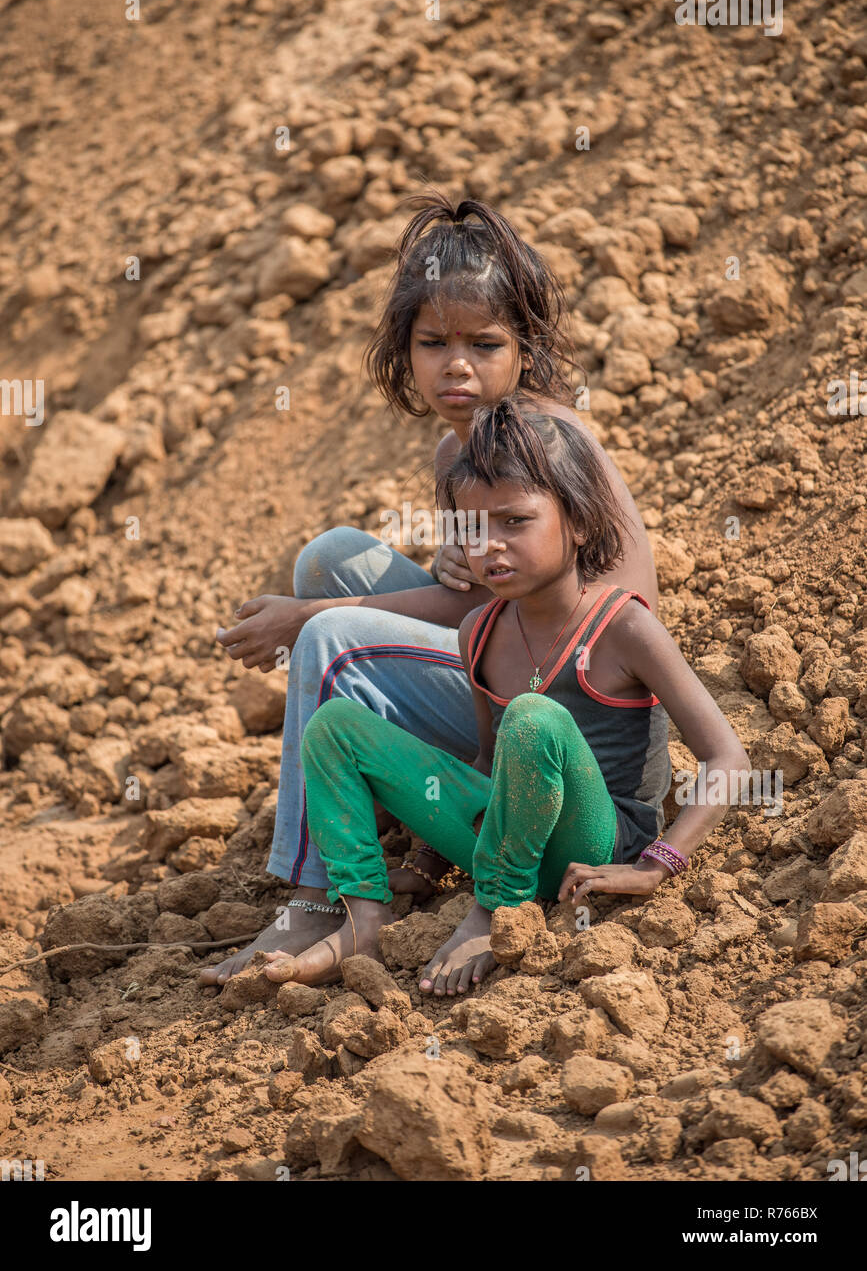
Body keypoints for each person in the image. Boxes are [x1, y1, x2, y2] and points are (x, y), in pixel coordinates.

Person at [200, 190, 659, 986]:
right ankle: (386, 812)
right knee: (330, 556)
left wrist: (311, 618)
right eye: (432, 342)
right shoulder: (458, 459)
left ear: (524, 350)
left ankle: (317, 894)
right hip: (499, 680)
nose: (456, 366)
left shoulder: (557, 443)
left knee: (326, 634)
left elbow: (586, 609)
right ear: (401, 353)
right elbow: (479, 607)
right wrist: (459, 572)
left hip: (564, 715)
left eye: (484, 344)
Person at [261, 399, 751, 994]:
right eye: (473, 528)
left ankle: (495, 909)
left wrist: (657, 866)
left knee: (533, 717)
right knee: (336, 725)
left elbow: (729, 759)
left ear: (580, 523)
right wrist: (425, 864)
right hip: (503, 833)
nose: (490, 547)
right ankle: (365, 913)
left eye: (516, 522)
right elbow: (487, 766)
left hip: (589, 848)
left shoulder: (624, 626)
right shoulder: (479, 632)